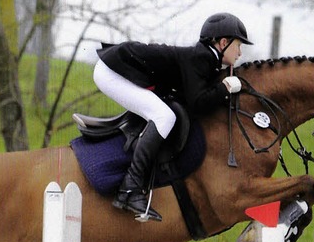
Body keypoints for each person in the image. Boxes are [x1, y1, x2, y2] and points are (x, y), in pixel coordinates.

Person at [93, 13, 252, 222]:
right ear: (223, 42)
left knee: (164, 114)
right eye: (238, 46)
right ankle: (130, 188)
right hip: (112, 71)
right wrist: (226, 87)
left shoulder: (206, 58)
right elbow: (198, 103)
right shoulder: (201, 58)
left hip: (117, 67)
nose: (240, 52)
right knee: (164, 117)